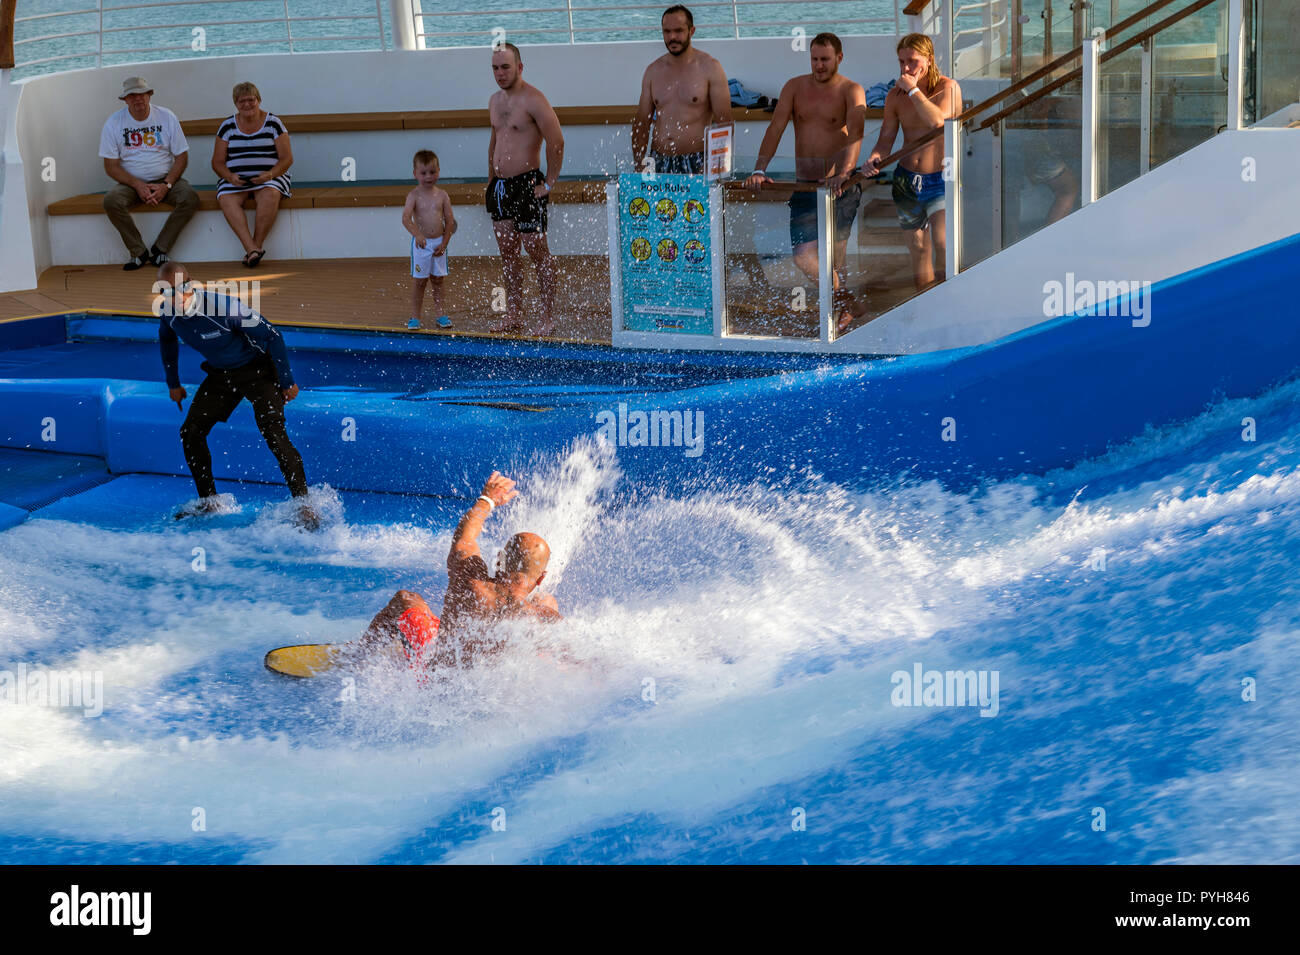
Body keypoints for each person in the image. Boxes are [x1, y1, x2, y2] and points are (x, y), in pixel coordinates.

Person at [155, 261, 317, 528]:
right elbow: (167, 339)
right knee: (191, 431)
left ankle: (304, 505)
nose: (177, 297)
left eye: (182, 288)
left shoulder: (225, 308)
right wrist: (173, 382)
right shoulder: (168, 314)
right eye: (168, 291)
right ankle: (209, 502)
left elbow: (273, 335)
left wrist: (287, 381)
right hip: (222, 375)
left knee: (273, 431)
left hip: (258, 370)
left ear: (192, 285)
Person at [359, 471, 561, 673]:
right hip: (496, 695)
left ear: (500, 560)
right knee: (546, 605)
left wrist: (487, 500)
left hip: (436, 685)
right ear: (542, 577)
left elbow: (465, 540)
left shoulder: (469, 581)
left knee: (405, 599)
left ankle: (356, 659)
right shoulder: (539, 615)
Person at [743, 33, 866, 331]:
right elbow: (775, 128)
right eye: (814, 59)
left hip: (839, 186)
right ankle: (847, 302)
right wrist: (759, 169)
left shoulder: (852, 90)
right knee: (803, 257)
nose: (819, 65)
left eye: (825, 59)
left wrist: (844, 171)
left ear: (839, 57)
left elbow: (858, 134)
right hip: (805, 185)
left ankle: (841, 312)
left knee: (836, 258)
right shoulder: (795, 87)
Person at [859, 33, 962, 292]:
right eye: (901, 61)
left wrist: (913, 90)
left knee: (943, 243)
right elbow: (885, 140)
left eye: (912, 61)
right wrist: (874, 157)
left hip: (942, 178)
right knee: (918, 249)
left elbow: (938, 122)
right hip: (906, 180)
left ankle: (949, 299)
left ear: (929, 59)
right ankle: (926, 304)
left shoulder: (948, 88)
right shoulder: (895, 97)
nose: (906, 68)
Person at [486, 43, 565, 337]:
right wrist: (491, 180)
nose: (500, 73)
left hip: (528, 185)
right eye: (495, 67)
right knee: (508, 252)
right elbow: (494, 142)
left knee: (536, 250)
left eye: (505, 67)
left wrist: (550, 183)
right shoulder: (494, 101)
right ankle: (514, 314)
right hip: (501, 187)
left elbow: (556, 141)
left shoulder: (535, 100)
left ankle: (547, 317)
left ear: (519, 67)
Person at [99, 76, 199, 270]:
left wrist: (166, 185)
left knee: (190, 197)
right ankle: (138, 252)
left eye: (142, 94)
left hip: (166, 179)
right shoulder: (113, 123)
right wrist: (138, 185)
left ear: (149, 95)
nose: (138, 99)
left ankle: (160, 249)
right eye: (132, 96)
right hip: (131, 183)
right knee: (111, 201)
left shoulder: (166, 116)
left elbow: (181, 157)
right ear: (125, 100)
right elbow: (111, 166)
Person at [632, 5, 732, 175]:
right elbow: (642, 123)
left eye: (678, 31)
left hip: (699, 161)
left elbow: (725, 123)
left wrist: (715, 166)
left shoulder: (710, 68)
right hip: (659, 160)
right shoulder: (653, 71)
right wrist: (639, 163)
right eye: (667, 31)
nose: (672, 37)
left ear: (691, 31)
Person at [211, 82, 294, 268]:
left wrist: (270, 175)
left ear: (259, 100)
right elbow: (217, 162)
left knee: (270, 194)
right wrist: (230, 177)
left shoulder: (273, 123)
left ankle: (255, 247)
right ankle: (251, 249)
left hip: (270, 178)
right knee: (226, 198)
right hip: (236, 180)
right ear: (235, 103)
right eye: (242, 101)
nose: (247, 104)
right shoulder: (227, 126)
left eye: (251, 100)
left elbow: (287, 158)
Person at [402, 149, 457, 330]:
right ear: (415, 174)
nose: (428, 177)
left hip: (438, 243)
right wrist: (417, 234)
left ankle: (440, 314)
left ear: (439, 171)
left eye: (432, 172)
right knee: (420, 281)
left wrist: (445, 242)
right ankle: (415, 317)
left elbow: (449, 221)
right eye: (424, 173)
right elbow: (406, 218)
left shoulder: (442, 195)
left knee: (438, 280)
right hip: (422, 245)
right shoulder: (414, 196)